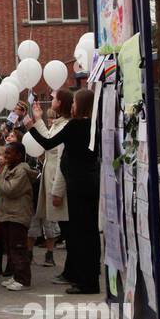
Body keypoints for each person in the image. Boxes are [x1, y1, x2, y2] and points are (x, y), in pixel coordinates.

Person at [25, 88, 101, 294]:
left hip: (77, 185)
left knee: (81, 234)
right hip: (89, 183)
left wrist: (32, 127)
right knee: (89, 234)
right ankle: (87, 278)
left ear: (82, 106)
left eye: (75, 103)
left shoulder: (76, 125)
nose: (73, 106)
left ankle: (87, 283)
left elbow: (49, 143)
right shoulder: (94, 126)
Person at [28, 87, 71, 271]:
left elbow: (55, 151)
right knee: (62, 223)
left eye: (53, 98)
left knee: (67, 227)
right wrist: (38, 120)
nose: (50, 100)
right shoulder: (58, 123)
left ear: (60, 102)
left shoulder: (66, 125)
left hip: (57, 179)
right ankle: (70, 268)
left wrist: (57, 190)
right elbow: (48, 139)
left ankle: (71, 268)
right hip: (51, 176)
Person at [0, 140, 36, 290]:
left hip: (18, 215)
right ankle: (15, 275)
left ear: (18, 155)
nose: (5, 156)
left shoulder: (21, 171)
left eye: (9, 153)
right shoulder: (7, 168)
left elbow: (10, 190)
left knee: (18, 247)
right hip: (6, 214)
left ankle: (24, 279)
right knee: (11, 247)